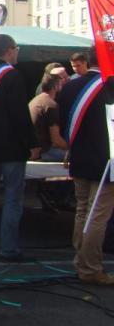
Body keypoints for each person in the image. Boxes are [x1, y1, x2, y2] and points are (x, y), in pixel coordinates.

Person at [0, 34, 39, 262]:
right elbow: (20, 115)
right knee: (12, 197)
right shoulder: (12, 76)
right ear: (9, 51)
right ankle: (8, 248)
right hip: (11, 147)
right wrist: (32, 143)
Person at [57, 47, 114, 284]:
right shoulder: (108, 86)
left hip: (79, 156)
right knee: (97, 214)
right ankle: (90, 268)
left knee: (82, 211)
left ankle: (80, 261)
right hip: (106, 160)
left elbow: (62, 128)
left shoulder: (70, 86)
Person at [29, 74, 68, 162]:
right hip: (44, 151)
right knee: (80, 155)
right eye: (60, 84)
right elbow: (56, 140)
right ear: (55, 87)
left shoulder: (35, 100)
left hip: (32, 149)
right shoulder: (51, 105)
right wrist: (71, 148)